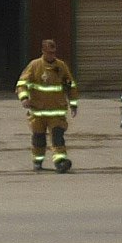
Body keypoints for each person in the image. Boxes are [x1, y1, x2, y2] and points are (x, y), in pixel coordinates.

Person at [15, 38, 78, 172]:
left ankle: (60, 162)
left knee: (57, 137)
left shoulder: (61, 66)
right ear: (43, 51)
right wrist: (24, 98)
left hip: (57, 112)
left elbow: (70, 86)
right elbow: (21, 84)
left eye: (53, 52)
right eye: (49, 53)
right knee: (38, 139)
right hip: (38, 112)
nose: (52, 55)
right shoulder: (34, 66)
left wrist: (73, 105)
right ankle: (38, 162)